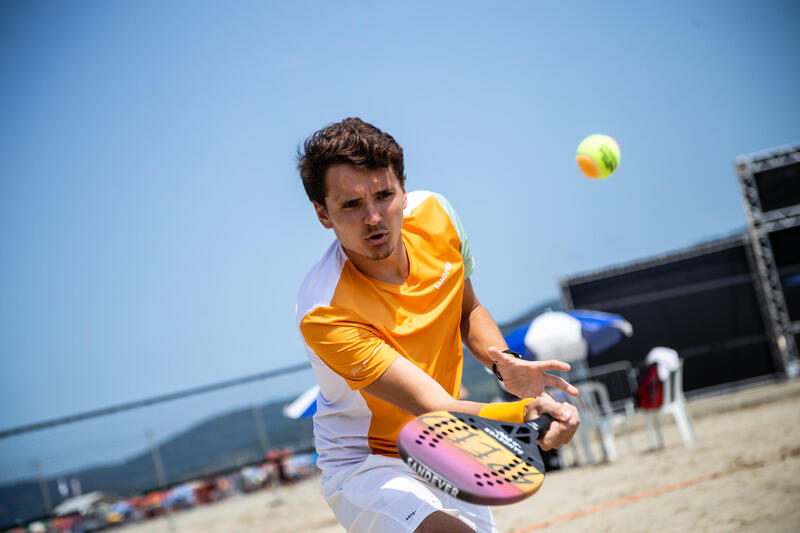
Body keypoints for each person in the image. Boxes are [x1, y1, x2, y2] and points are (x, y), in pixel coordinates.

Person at [295, 117, 580, 533]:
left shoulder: (437, 216)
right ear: (323, 213)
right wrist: (527, 412)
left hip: (448, 442)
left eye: (384, 195)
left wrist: (504, 362)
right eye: (351, 205)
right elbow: (429, 404)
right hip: (370, 462)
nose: (374, 216)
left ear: (404, 190)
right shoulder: (324, 310)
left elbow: (467, 309)